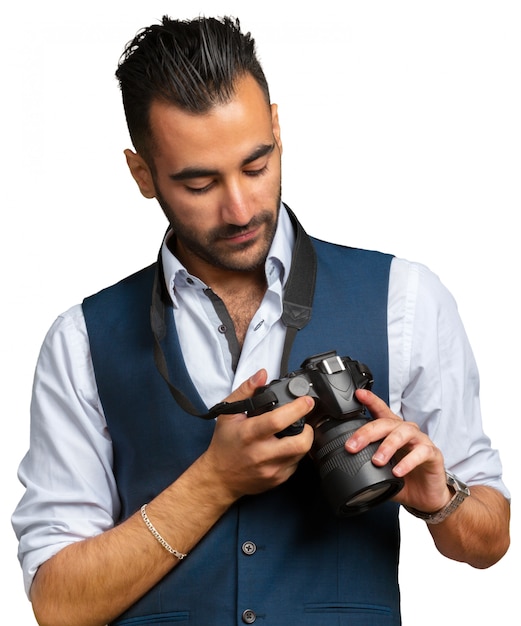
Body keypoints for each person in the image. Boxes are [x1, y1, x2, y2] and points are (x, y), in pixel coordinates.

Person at [12, 15, 510, 626]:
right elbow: (59, 604)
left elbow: (490, 539)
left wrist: (441, 499)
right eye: (200, 183)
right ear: (143, 175)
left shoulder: (406, 299)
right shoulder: (82, 340)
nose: (241, 207)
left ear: (276, 126)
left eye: (256, 164)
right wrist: (214, 481)